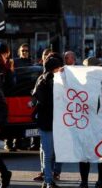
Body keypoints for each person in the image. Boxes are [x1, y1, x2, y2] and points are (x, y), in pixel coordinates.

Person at [31, 54, 64, 188]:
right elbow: (44, 100)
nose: (60, 70)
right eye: (58, 68)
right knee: (49, 152)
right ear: (54, 69)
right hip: (49, 122)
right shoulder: (46, 81)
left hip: (49, 122)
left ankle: (48, 180)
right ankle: (49, 180)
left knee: (50, 152)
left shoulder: (44, 80)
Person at [78, 57, 102, 188]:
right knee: (85, 154)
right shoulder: (80, 83)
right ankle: (84, 181)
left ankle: (100, 181)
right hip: (86, 123)